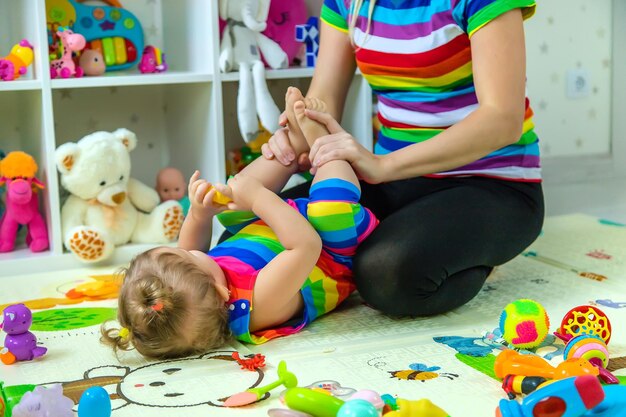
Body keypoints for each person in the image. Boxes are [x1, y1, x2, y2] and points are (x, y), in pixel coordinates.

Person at [260, 0, 545, 317]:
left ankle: (468, 257)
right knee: (255, 234)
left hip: (494, 185)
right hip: (395, 180)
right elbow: (322, 101)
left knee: (385, 275)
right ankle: (398, 248)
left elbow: (502, 120)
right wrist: (293, 135)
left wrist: (381, 166)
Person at [101, 88, 378, 359]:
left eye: (182, 253)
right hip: (331, 253)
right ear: (221, 291)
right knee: (329, 212)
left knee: (229, 204)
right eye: (192, 256)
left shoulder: (197, 286)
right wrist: (257, 197)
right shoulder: (259, 304)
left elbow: (190, 248)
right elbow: (306, 246)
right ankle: (325, 147)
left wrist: (200, 213)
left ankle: (293, 145)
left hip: (279, 225)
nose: (190, 249)